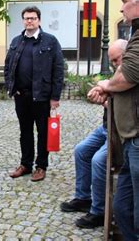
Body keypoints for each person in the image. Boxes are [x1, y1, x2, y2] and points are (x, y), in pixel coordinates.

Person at [88, 0, 139, 241]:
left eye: (125, 1)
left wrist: (105, 85)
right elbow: (125, 72)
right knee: (122, 206)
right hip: (126, 136)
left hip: (134, 136)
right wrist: (108, 90)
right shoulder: (135, 37)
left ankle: (96, 211)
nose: (121, 7)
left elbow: (128, 74)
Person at [60, 39, 127, 229]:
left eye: (117, 60)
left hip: (119, 132)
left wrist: (106, 96)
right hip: (107, 127)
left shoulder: (129, 72)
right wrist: (103, 95)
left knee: (99, 161)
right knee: (81, 150)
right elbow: (109, 88)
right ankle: (83, 198)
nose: (115, 65)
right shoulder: (118, 74)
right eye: (112, 61)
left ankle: (98, 211)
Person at [4, 6, 64, 182]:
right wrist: (11, 87)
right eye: (26, 18)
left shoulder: (50, 41)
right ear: (23, 20)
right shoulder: (16, 41)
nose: (29, 21)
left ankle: (41, 166)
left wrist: (55, 98)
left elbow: (58, 71)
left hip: (42, 96)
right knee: (25, 131)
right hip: (21, 96)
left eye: (33, 18)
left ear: (39, 20)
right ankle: (25, 164)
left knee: (43, 132)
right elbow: (8, 66)